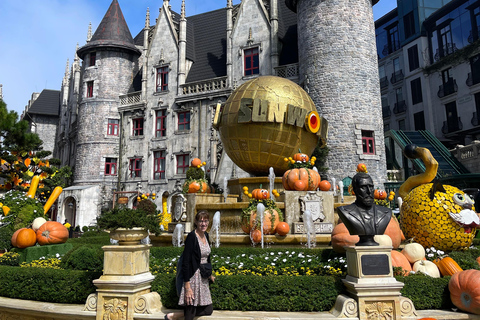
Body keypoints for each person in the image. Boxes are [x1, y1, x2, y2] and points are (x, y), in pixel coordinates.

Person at [165, 211, 215, 320]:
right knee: (190, 312)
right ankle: (172, 317)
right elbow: (186, 263)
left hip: (203, 278)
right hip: (193, 278)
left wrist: (209, 274)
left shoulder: (206, 235)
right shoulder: (192, 237)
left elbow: (207, 257)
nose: (203, 224)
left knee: (208, 310)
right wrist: (187, 287)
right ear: (196, 222)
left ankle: (174, 316)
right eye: (201, 221)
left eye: (205, 221)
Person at [337, 172, 391, 246]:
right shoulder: (345, 211)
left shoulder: (386, 212)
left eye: (371, 187)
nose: (369, 191)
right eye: (363, 187)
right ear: (355, 190)